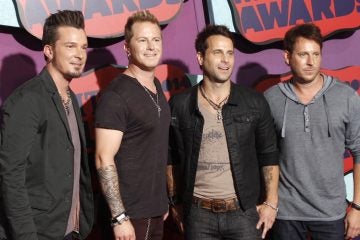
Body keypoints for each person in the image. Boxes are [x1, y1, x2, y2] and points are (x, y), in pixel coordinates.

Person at [167, 24, 279, 240]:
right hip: (198, 215)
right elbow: (171, 158)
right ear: (200, 57)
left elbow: (269, 154)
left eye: (230, 53)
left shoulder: (254, 102)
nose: (226, 60)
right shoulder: (180, 105)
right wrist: (175, 202)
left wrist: (271, 203)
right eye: (218, 53)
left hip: (245, 212)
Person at [0, 10, 94, 240]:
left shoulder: (69, 96)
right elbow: (10, 177)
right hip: (38, 232)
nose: (79, 54)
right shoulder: (27, 99)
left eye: (83, 47)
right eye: (70, 46)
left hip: (70, 230)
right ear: (49, 51)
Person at [264, 23, 360, 240]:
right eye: (303, 54)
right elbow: (265, 157)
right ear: (287, 57)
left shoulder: (345, 97)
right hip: (286, 213)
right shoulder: (271, 99)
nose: (311, 62)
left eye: (316, 54)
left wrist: (357, 207)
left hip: (331, 213)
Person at [94, 10, 170, 240]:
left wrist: (162, 201)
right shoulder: (116, 95)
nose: (151, 46)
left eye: (156, 39)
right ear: (127, 48)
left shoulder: (156, 86)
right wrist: (119, 217)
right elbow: (102, 158)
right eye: (143, 40)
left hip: (155, 211)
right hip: (130, 217)